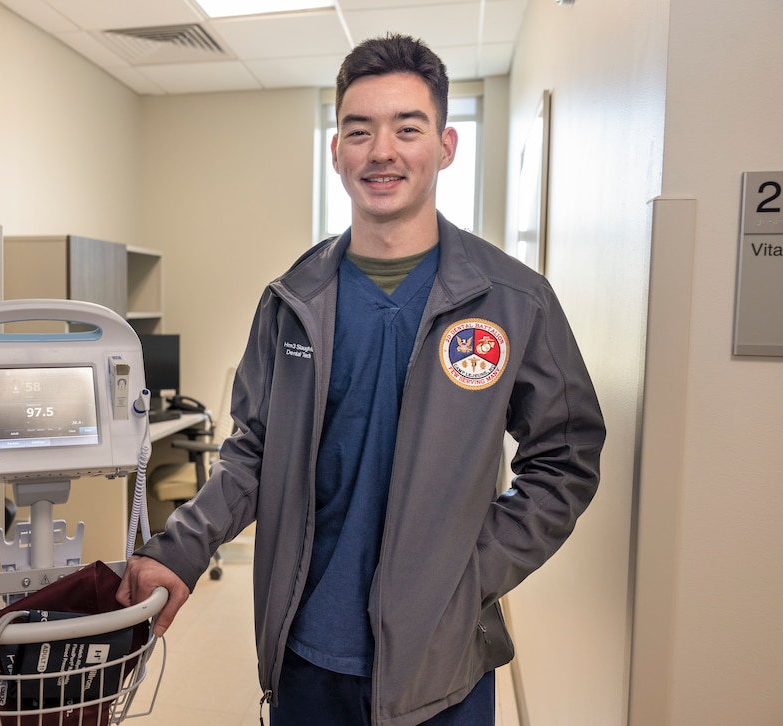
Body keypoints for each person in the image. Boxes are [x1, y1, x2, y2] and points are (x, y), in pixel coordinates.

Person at [117, 33, 605, 726]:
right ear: (336, 151)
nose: (382, 151)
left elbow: (566, 457)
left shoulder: (511, 302)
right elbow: (252, 450)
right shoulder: (292, 301)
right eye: (359, 130)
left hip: (443, 664)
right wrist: (184, 548)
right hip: (307, 655)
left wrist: (473, 574)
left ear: (445, 146)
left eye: (408, 128)